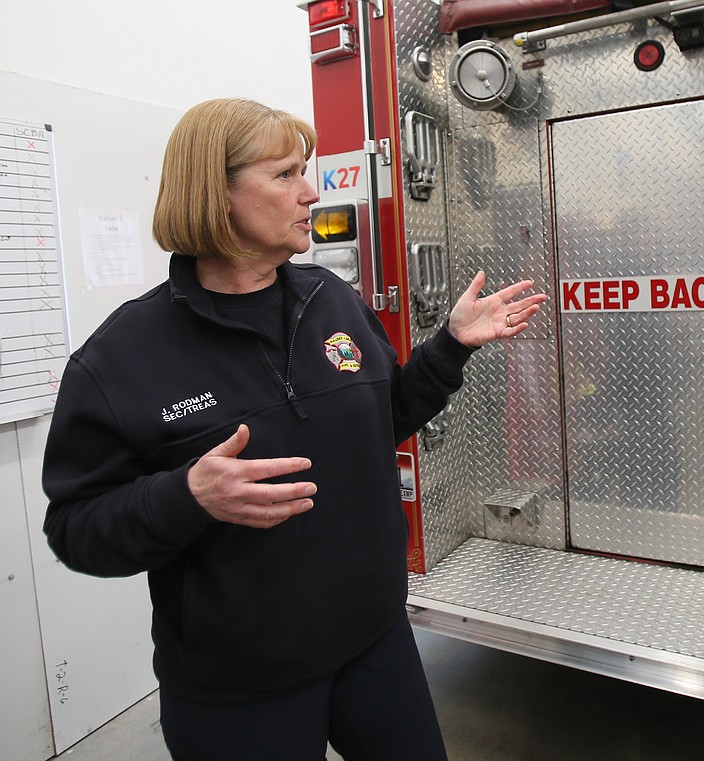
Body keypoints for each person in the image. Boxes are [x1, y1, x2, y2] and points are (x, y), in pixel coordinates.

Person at [41, 98, 547, 761]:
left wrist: (448, 347)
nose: (311, 191)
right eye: (284, 174)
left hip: (375, 643)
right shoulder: (122, 359)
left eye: (304, 170)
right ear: (215, 194)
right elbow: (76, 528)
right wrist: (188, 496)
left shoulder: (329, 299)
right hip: (239, 688)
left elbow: (383, 416)